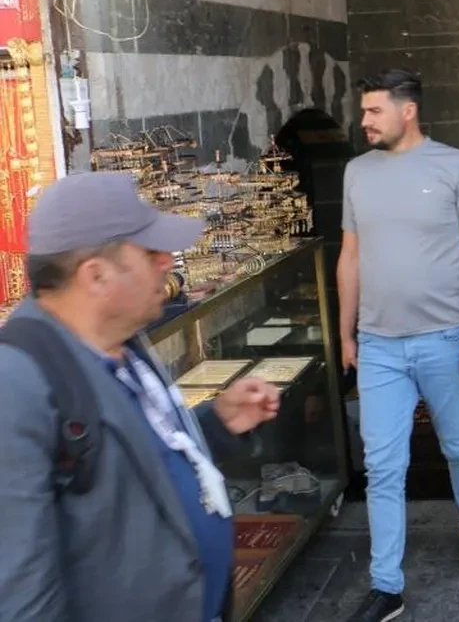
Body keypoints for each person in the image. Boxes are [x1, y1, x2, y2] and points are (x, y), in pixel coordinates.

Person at [0, 172, 281, 622]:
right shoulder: (18, 387)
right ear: (95, 276)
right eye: (150, 253)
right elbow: (22, 596)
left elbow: (143, 465)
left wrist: (216, 424)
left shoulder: (122, 340)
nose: (168, 262)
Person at [338, 69, 459, 622]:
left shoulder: (455, 166)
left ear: (407, 111)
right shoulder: (356, 173)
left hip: (446, 338)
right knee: (382, 465)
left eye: (373, 111)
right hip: (379, 346)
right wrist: (344, 331)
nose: (364, 122)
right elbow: (350, 257)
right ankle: (387, 585)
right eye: (364, 112)